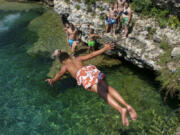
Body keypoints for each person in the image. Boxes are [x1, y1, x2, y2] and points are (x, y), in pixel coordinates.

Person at [46, 43, 137, 126]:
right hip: (90, 71)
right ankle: (127, 105)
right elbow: (92, 55)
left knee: (103, 93)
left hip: (83, 76)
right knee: (108, 88)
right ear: (69, 56)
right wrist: (104, 48)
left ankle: (121, 110)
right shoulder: (78, 58)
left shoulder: (65, 66)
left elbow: (59, 74)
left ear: (62, 61)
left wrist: (53, 80)